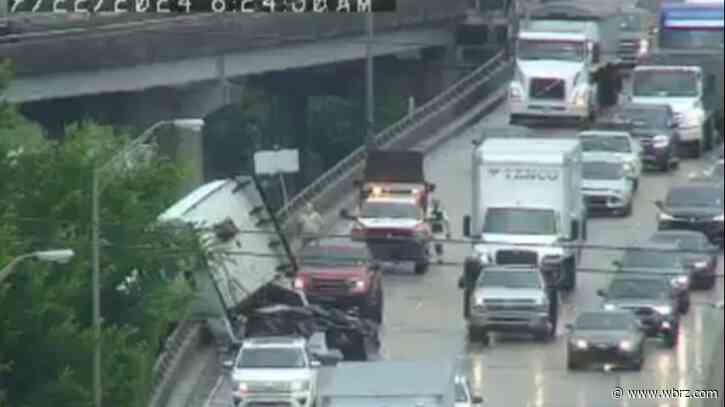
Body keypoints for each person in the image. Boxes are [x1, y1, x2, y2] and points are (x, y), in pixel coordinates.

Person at [428, 199, 451, 264]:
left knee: (439, 245)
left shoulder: (442, 212)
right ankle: (430, 258)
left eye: (436, 203)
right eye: (434, 203)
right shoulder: (430, 212)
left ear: (438, 204)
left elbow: (447, 222)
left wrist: (448, 232)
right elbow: (428, 222)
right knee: (429, 246)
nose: (435, 205)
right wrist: (428, 231)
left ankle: (440, 259)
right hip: (431, 231)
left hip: (439, 231)